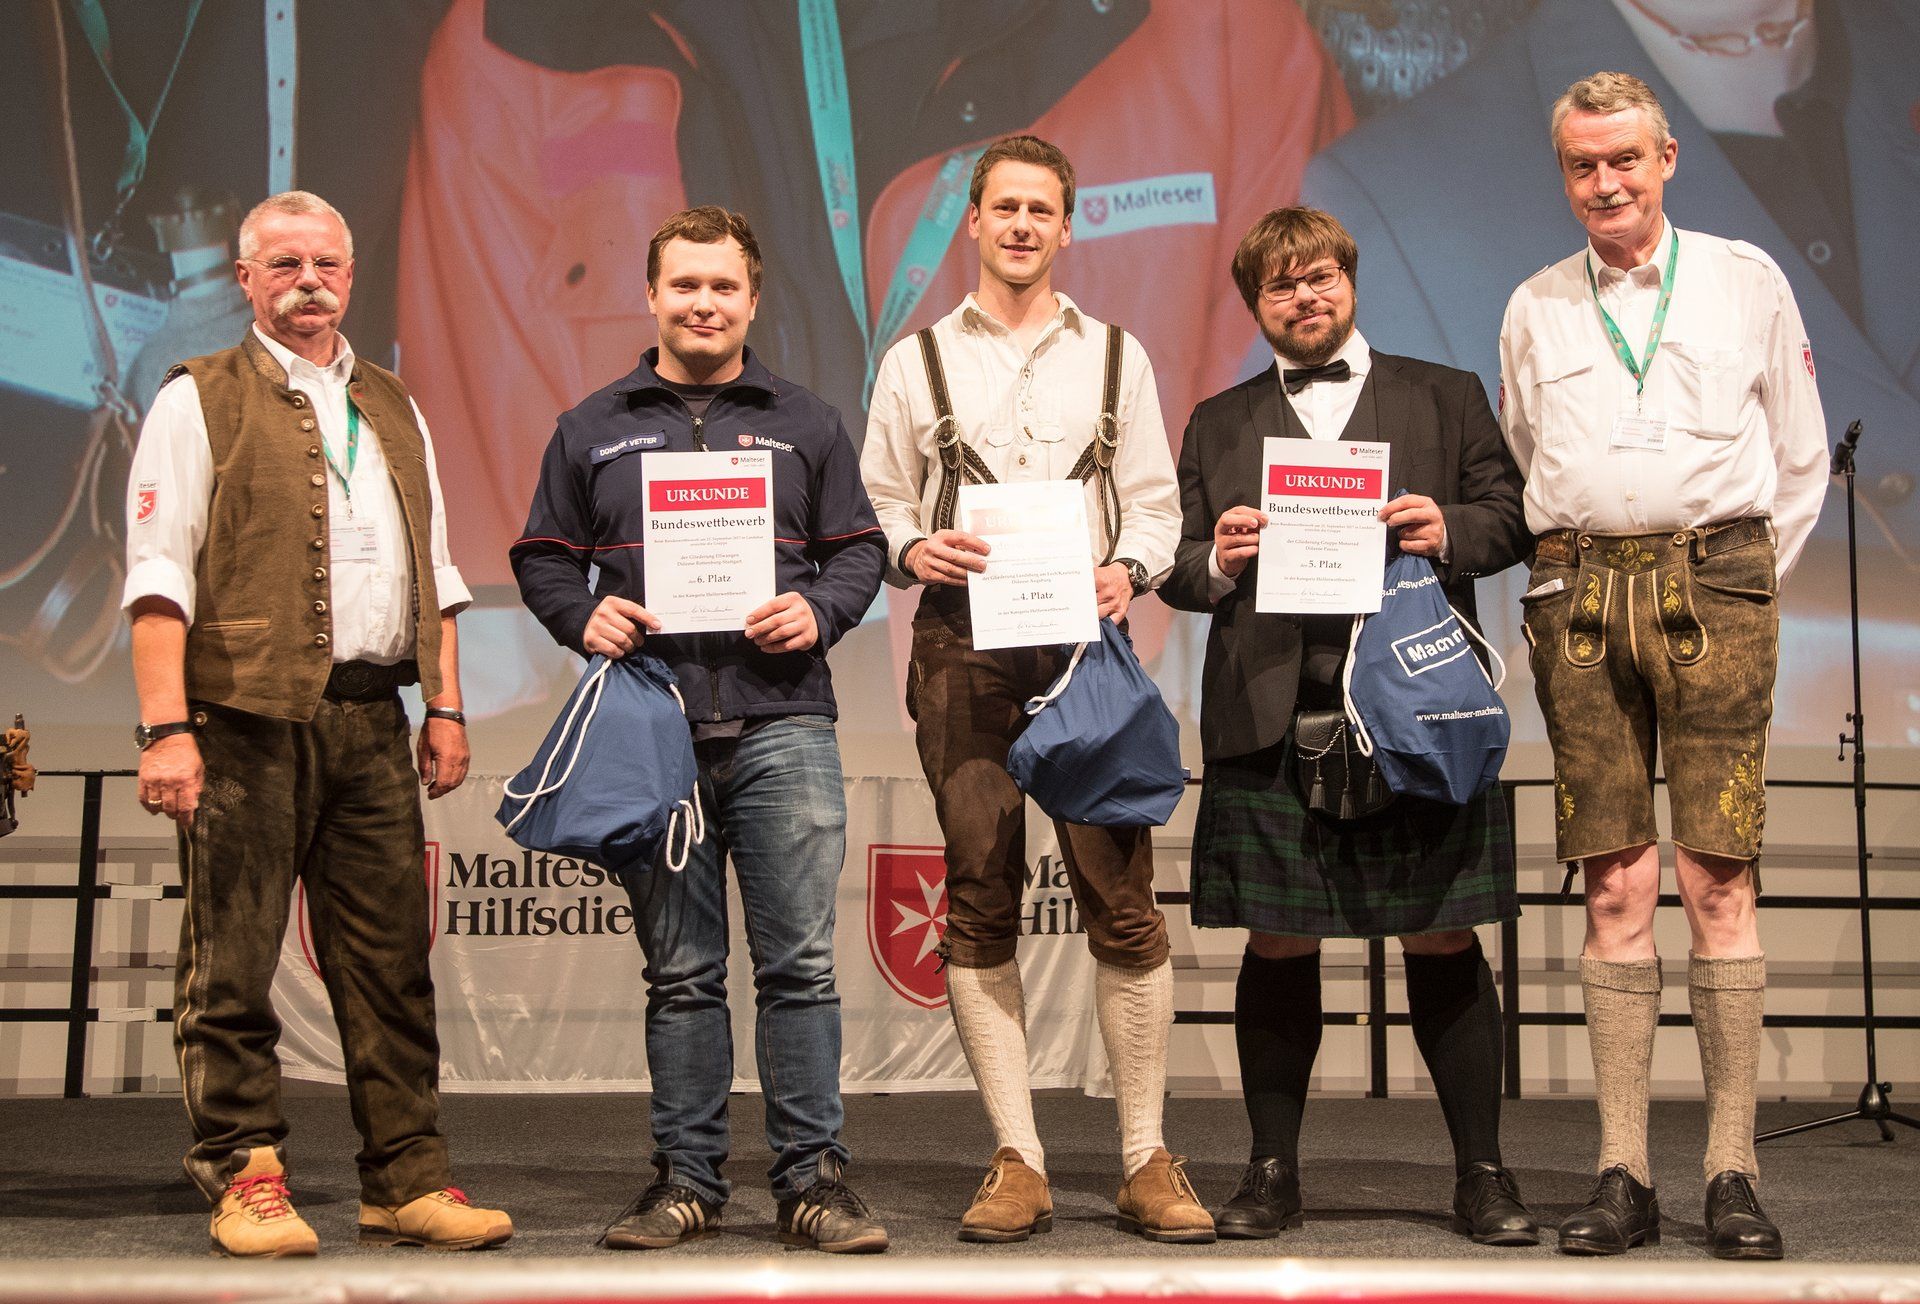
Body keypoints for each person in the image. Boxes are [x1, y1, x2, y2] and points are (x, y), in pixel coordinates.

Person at [123, 190, 511, 1257]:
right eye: (286, 264)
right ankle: (244, 1174)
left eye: (327, 264)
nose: (310, 282)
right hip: (240, 720)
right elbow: (157, 579)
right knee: (233, 965)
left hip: (371, 718)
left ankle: (406, 1179)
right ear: (246, 278)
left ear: (349, 274)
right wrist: (165, 729)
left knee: (390, 966)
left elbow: (435, 570)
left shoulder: (393, 400)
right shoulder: (196, 398)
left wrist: (445, 705)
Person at [512, 207, 890, 1254]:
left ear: (753, 299)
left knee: (799, 967)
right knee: (681, 973)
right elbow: (543, 555)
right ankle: (686, 1182)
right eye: (685, 284)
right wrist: (579, 616)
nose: (704, 303)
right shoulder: (591, 425)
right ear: (652, 295)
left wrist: (820, 608)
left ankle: (813, 1181)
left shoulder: (807, 421)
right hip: (655, 727)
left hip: (783, 721)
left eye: (724, 286)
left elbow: (860, 550)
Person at [1159, 206, 1536, 1245]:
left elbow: (1512, 517)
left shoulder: (1444, 394)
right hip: (1270, 711)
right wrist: (1219, 557)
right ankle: (1271, 1171)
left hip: (1415, 710)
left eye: (1319, 275)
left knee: (1443, 931)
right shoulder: (1217, 420)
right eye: (1280, 285)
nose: (1304, 297)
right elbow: (1176, 567)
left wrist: (1447, 527)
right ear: (1256, 304)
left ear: (1350, 280)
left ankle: (1484, 1174)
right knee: (1278, 937)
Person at [1499, 71, 1827, 1260]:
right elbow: (1528, 451)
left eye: (1624, 159)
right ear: (1565, 173)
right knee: (1613, 887)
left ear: (1667, 158)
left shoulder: (1746, 278)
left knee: (1717, 883)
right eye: (1583, 165)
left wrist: (1736, 585)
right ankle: (1624, 1171)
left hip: (1715, 588)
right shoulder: (1536, 302)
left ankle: (1732, 1169)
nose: (1606, 184)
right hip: (1581, 596)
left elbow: (1798, 458)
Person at [862, 135, 1206, 1245]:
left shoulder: (1116, 356)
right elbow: (878, 503)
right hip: (961, 647)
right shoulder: (915, 360)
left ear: (1067, 226)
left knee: (1122, 898)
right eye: (1002, 207)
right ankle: (1018, 1157)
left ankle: (1146, 1157)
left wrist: (1129, 568)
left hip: (1083, 647)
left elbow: (1154, 506)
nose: (1020, 225)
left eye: (1039, 209)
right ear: (973, 222)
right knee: (978, 893)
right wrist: (913, 548)